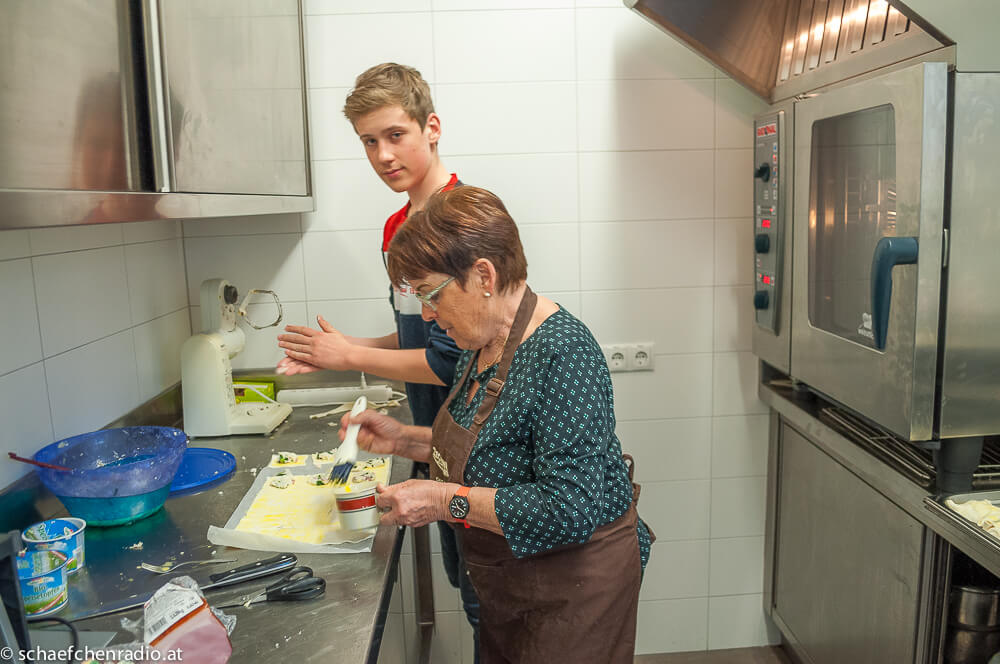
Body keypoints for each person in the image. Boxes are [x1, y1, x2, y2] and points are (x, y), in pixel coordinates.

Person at [339, 186, 654, 663]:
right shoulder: (481, 340)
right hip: (513, 587)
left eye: (431, 294)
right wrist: (406, 440)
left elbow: (569, 509)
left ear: (483, 275)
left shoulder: (562, 352)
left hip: (573, 590)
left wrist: (443, 500)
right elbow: (494, 448)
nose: (427, 314)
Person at [274, 63, 482, 658]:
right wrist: (346, 350)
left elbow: (449, 361)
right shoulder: (398, 226)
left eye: (395, 135)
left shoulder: (457, 219)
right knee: (465, 582)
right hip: (434, 435)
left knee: (484, 596)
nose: (383, 155)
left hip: (474, 435)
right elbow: (423, 330)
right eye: (369, 141)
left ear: (431, 128)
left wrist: (350, 356)